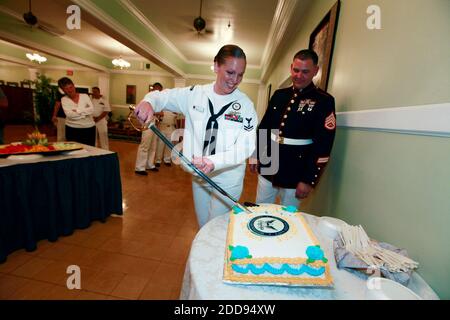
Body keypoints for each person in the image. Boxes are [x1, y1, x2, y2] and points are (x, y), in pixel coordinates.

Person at [134, 44, 257, 227]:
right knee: (202, 225)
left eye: (240, 74)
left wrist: (214, 161)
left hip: (228, 177)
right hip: (199, 175)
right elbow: (163, 97)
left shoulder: (245, 105)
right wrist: (148, 101)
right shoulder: (194, 94)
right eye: (230, 73)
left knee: (215, 227)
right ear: (216, 66)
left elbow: (245, 146)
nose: (235, 80)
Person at [250, 49, 336, 208]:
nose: (298, 75)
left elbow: (323, 144)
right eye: (296, 70)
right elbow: (265, 127)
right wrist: (256, 155)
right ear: (291, 68)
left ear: (315, 71)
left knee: (288, 216)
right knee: (259, 209)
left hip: (297, 168)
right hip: (269, 160)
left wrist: (308, 179)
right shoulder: (279, 95)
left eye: (305, 71)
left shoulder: (324, 101)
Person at [134, 82, 163, 175]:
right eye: (156, 89)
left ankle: (149, 165)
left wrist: (158, 116)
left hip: (155, 124)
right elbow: (143, 112)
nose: (158, 92)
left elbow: (160, 113)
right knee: (145, 145)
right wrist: (156, 113)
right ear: (152, 89)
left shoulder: (158, 100)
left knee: (153, 146)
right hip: (147, 124)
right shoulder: (147, 99)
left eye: (160, 90)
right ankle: (139, 167)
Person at [58, 77, 96, 146]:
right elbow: (70, 115)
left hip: (89, 129)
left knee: (90, 151)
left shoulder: (85, 96)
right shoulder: (64, 99)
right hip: (72, 129)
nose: (70, 90)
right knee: (74, 152)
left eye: (71, 87)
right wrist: (85, 112)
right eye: (66, 89)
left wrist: (77, 111)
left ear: (74, 86)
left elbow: (91, 110)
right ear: (63, 90)